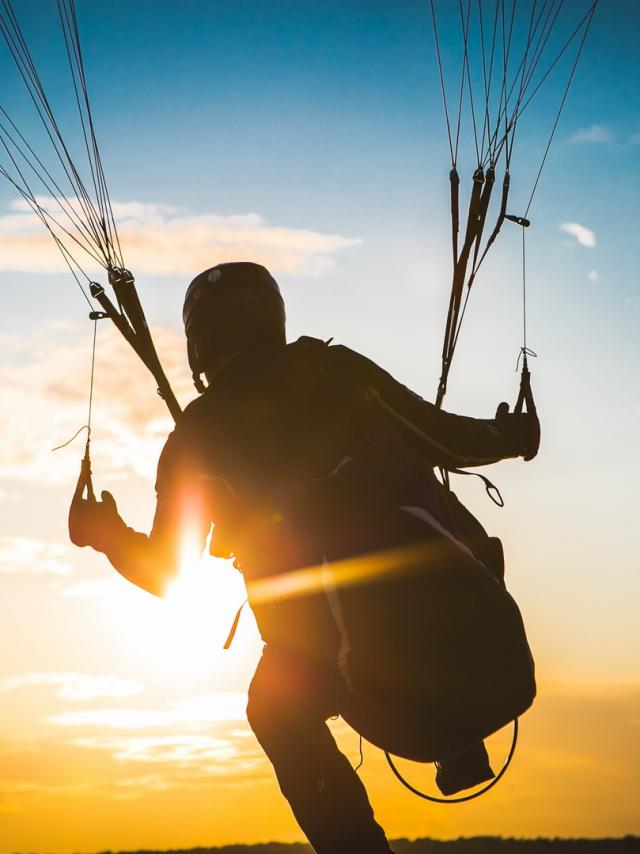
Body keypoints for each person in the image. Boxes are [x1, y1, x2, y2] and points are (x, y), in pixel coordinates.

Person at [69, 261, 539, 854]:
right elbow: (445, 438)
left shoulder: (195, 438)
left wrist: (103, 533)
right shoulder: (332, 370)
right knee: (433, 541)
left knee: (273, 708)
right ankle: (456, 735)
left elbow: (167, 574)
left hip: (366, 685)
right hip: (492, 658)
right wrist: (518, 435)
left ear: (200, 345)